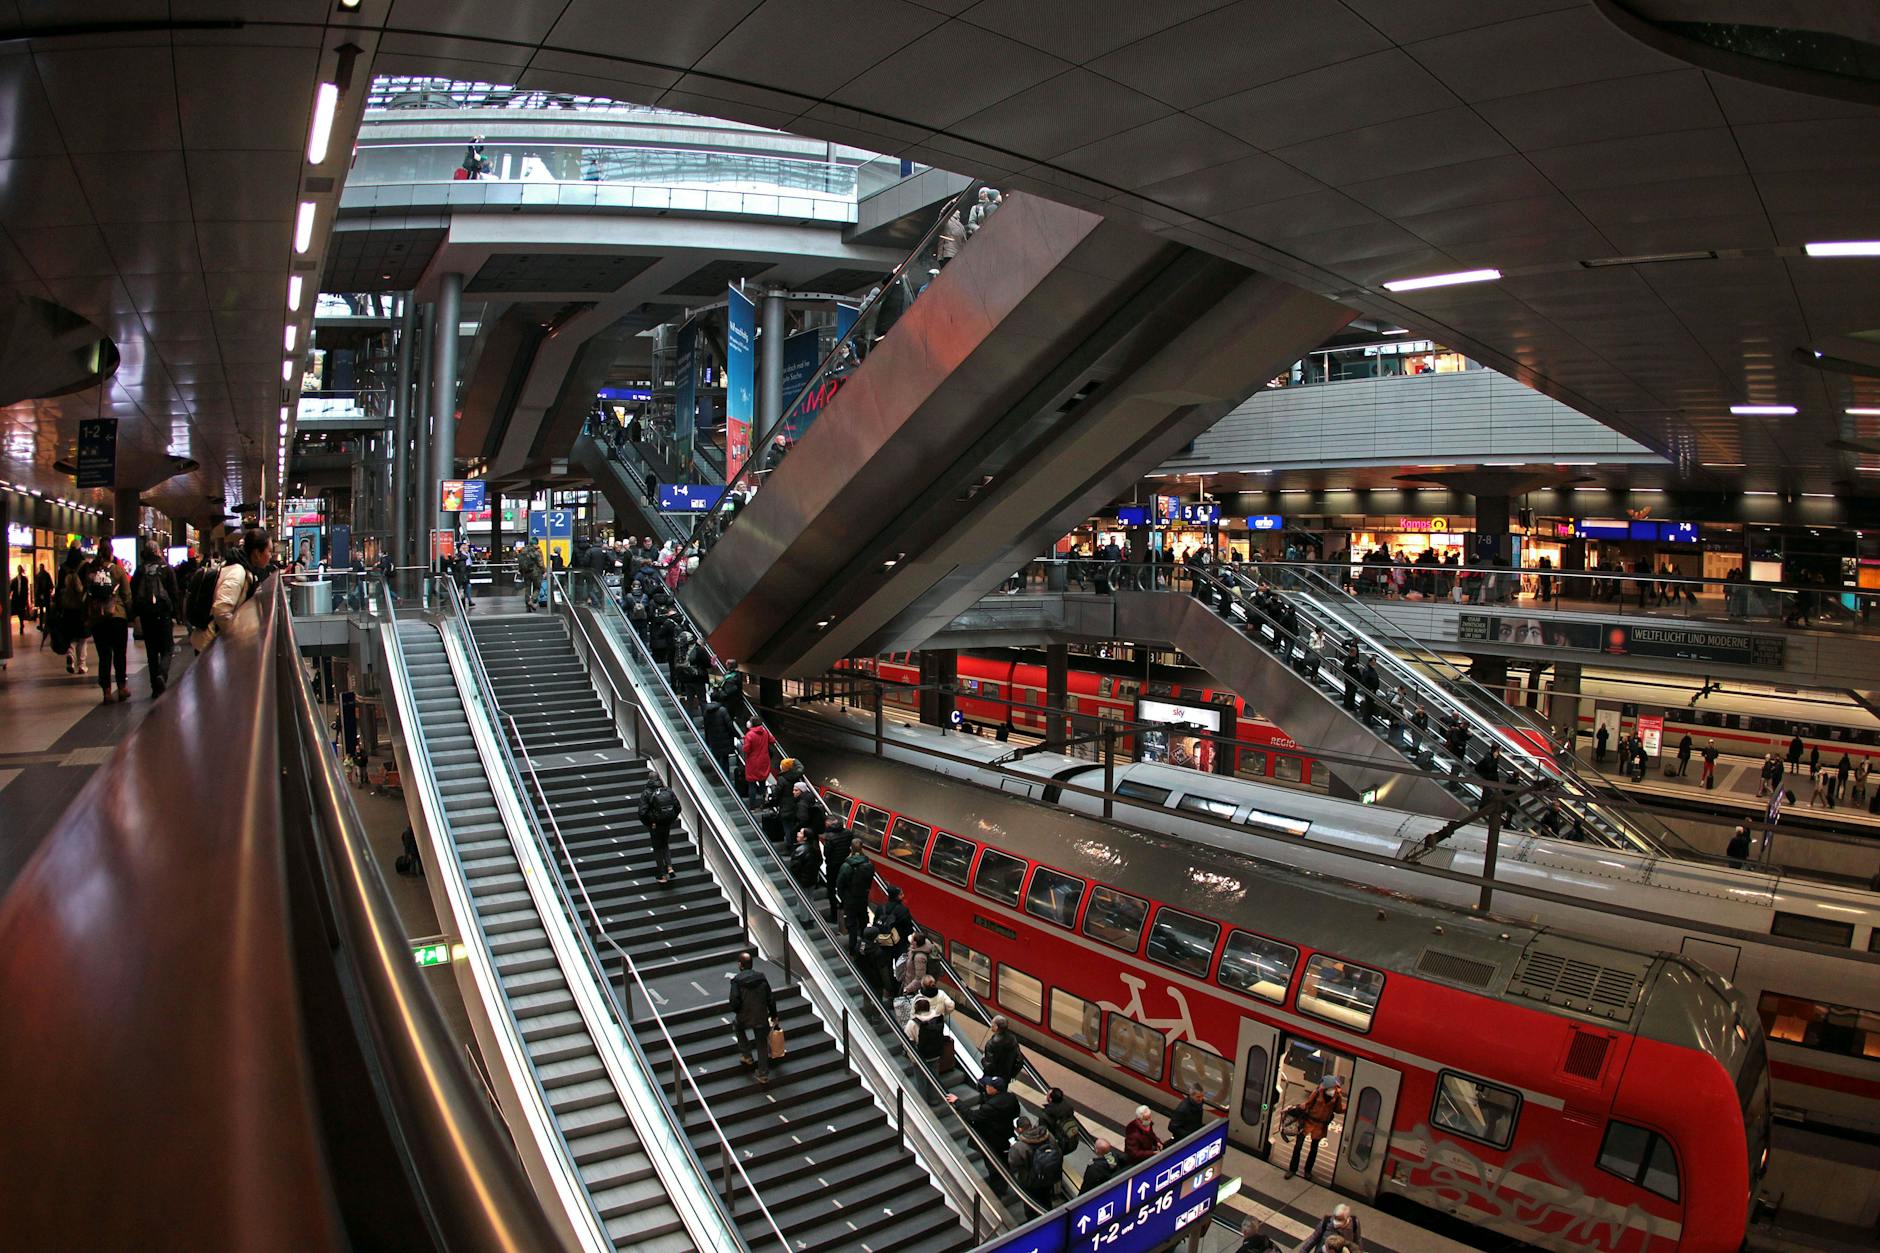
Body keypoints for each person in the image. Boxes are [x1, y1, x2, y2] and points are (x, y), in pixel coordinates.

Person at [130, 543, 179, 698]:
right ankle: (162, 675)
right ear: (158, 551)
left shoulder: (140, 569)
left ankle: (154, 687)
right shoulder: (166, 568)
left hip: (146, 615)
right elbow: (173, 591)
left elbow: (133, 590)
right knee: (167, 648)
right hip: (163, 613)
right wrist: (176, 613)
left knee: (151, 651)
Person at [83, 550, 132, 702]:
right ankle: (122, 687)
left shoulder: (91, 572)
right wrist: (129, 613)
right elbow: (126, 594)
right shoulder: (118, 570)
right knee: (119, 653)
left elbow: (86, 594)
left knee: (104, 656)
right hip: (117, 616)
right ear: (111, 554)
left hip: (98, 619)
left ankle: (106, 692)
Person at [209, 528, 271, 642]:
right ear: (257, 553)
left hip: (215, 639)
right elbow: (221, 610)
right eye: (269, 551)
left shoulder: (244, 569)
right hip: (209, 642)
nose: (270, 556)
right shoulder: (238, 572)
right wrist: (237, 637)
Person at [726, 950, 777, 1084]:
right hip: (761, 1016)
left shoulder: (736, 981)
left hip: (744, 1016)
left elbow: (734, 1001)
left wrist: (738, 1011)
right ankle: (763, 1074)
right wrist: (773, 1015)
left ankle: (747, 1055)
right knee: (761, 1044)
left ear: (740, 965)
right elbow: (770, 998)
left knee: (737, 1026)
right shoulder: (761, 978)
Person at [1284, 1075, 1347, 1179]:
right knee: (1298, 1146)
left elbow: (1338, 1109)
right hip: (1307, 1121)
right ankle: (1292, 1169)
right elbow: (1308, 1104)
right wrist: (1297, 1108)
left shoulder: (1337, 1097)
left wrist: (1348, 1108)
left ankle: (1308, 1171)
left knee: (1314, 1149)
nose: (1328, 1090)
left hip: (1320, 1125)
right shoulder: (1317, 1092)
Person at [949, 1075, 1019, 1151]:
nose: (986, 1086)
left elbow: (972, 1116)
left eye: (989, 1086)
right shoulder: (1011, 1098)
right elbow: (1016, 1113)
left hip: (991, 1139)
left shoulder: (989, 1107)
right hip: (1006, 1134)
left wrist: (957, 1101)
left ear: (995, 1089)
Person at [834, 837, 874, 953]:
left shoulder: (847, 865)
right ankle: (864, 946)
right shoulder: (868, 864)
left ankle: (852, 948)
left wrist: (843, 898)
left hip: (850, 899)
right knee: (863, 921)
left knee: (851, 924)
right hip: (863, 898)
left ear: (850, 848)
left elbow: (840, 884)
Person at [637, 777, 681, 883]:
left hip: (655, 825)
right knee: (665, 844)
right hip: (667, 823)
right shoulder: (667, 790)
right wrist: (671, 819)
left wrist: (650, 823)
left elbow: (642, 812)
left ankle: (662, 875)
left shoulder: (646, 793)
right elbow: (678, 807)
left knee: (657, 848)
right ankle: (670, 867)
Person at [701, 694, 738, 780]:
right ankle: (726, 778)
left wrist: (708, 741)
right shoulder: (722, 711)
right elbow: (729, 725)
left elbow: (706, 728)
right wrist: (735, 735)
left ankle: (718, 777)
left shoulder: (706, 712)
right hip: (725, 740)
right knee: (725, 760)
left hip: (714, 740)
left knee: (716, 760)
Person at [981, 1015, 1022, 1085]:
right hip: (1005, 1078)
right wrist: (1011, 1074)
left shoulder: (991, 1044)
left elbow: (989, 1066)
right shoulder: (1013, 1039)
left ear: (996, 1027)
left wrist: (983, 1059)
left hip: (992, 1079)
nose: (991, 1025)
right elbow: (1019, 1061)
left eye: (992, 1024)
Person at [1039, 1087, 1078, 1154]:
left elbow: (1043, 1132)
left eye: (1048, 1095)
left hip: (1060, 1145)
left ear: (1050, 1099)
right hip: (1073, 1140)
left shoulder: (1046, 1114)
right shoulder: (1068, 1107)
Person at [899, 930, 933, 995]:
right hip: (907, 981)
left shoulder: (919, 958)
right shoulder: (915, 948)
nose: (910, 936)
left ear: (915, 942)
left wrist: (907, 989)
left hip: (913, 990)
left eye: (912, 936)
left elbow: (920, 979)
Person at [516, 541, 545, 611]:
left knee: (527, 588)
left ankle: (527, 605)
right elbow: (540, 563)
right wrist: (543, 571)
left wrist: (521, 571)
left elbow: (520, 563)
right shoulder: (536, 551)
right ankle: (532, 601)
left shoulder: (523, 551)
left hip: (525, 572)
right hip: (535, 572)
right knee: (537, 587)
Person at [9, 564, 28, 635]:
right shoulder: (14, 580)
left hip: (22, 599)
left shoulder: (25, 579)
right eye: (19, 569)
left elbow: (26, 590)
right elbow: (11, 589)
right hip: (16, 599)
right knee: (16, 612)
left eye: (20, 569)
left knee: (21, 612)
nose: (19, 570)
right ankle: (21, 624)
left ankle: (21, 625)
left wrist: (26, 599)